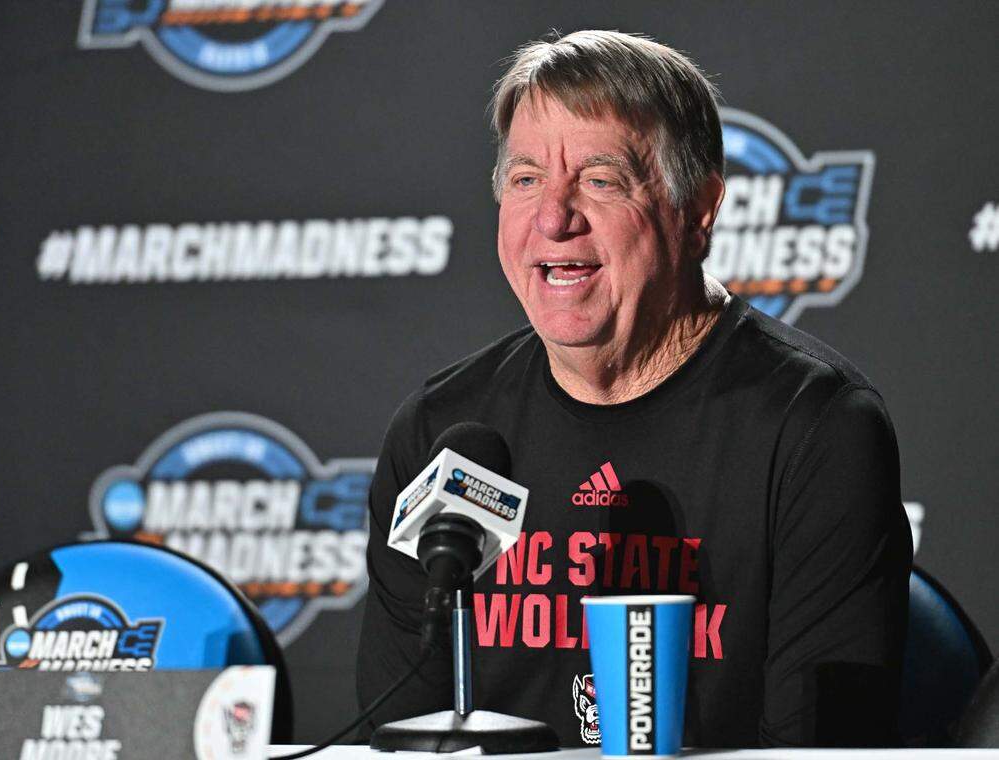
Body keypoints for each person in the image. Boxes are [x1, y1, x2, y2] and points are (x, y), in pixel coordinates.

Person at [356, 30, 911, 748]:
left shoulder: (816, 427)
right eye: (526, 180)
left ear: (699, 210)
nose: (553, 219)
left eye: (601, 179)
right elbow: (395, 734)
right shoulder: (441, 431)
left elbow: (824, 749)